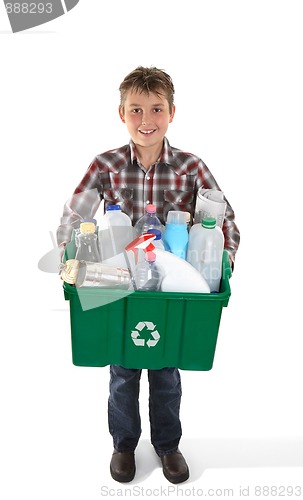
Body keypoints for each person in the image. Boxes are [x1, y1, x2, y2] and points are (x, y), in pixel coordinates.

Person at [57, 66, 240, 484]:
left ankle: (168, 445)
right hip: (120, 287)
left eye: (156, 109)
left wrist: (224, 262)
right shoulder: (106, 165)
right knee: (122, 371)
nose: (146, 120)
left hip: (175, 288)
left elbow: (226, 219)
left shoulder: (191, 167)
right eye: (136, 109)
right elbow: (74, 215)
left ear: (172, 112)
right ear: (121, 113)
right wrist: (69, 263)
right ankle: (124, 445)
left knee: (166, 369)